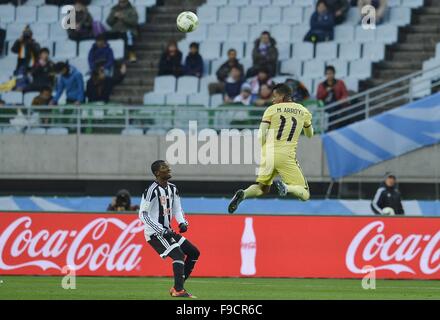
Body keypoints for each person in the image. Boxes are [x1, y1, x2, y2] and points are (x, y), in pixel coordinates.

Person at [228, 83, 314, 213]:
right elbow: (309, 135)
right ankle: (286, 188)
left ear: (283, 96)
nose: (273, 99)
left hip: (268, 154)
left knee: (262, 188)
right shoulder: (303, 111)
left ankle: (243, 194)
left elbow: (260, 135)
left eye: (275, 96)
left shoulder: (271, 110)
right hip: (286, 156)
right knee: (305, 194)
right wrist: (306, 127)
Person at [139, 160, 200, 298]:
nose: (168, 168)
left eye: (167, 166)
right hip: (155, 233)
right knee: (178, 255)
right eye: (164, 167)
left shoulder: (173, 188)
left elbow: (178, 209)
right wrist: (160, 230)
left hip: (168, 231)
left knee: (194, 252)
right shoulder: (151, 191)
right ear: (157, 173)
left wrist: (183, 223)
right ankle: (179, 290)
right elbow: (143, 214)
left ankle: (178, 287)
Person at [316, 65, 348, 130]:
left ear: (334, 74)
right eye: (327, 74)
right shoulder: (321, 85)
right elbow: (318, 97)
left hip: (337, 104)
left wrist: (341, 101)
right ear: (325, 75)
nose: (329, 75)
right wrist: (326, 91)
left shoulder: (340, 83)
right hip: (325, 105)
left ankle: (332, 128)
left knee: (335, 110)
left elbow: (345, 94)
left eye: (331, 73)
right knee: (331, 111)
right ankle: (331, 128)